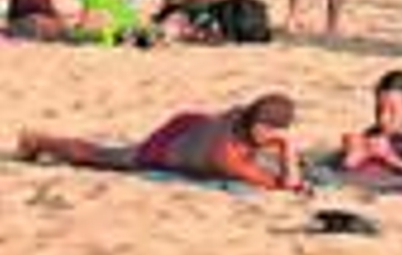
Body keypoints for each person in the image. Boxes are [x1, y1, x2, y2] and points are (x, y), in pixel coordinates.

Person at [17, 92, 304, 192]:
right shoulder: (225, 156)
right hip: (168, 147)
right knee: (106, 157)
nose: (270, 139)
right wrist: (287, 147)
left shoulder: (242, 115)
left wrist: (277, 142)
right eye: (269, 132)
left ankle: (42, 141)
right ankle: (40, 141)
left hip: (193, 126)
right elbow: (285, 186)